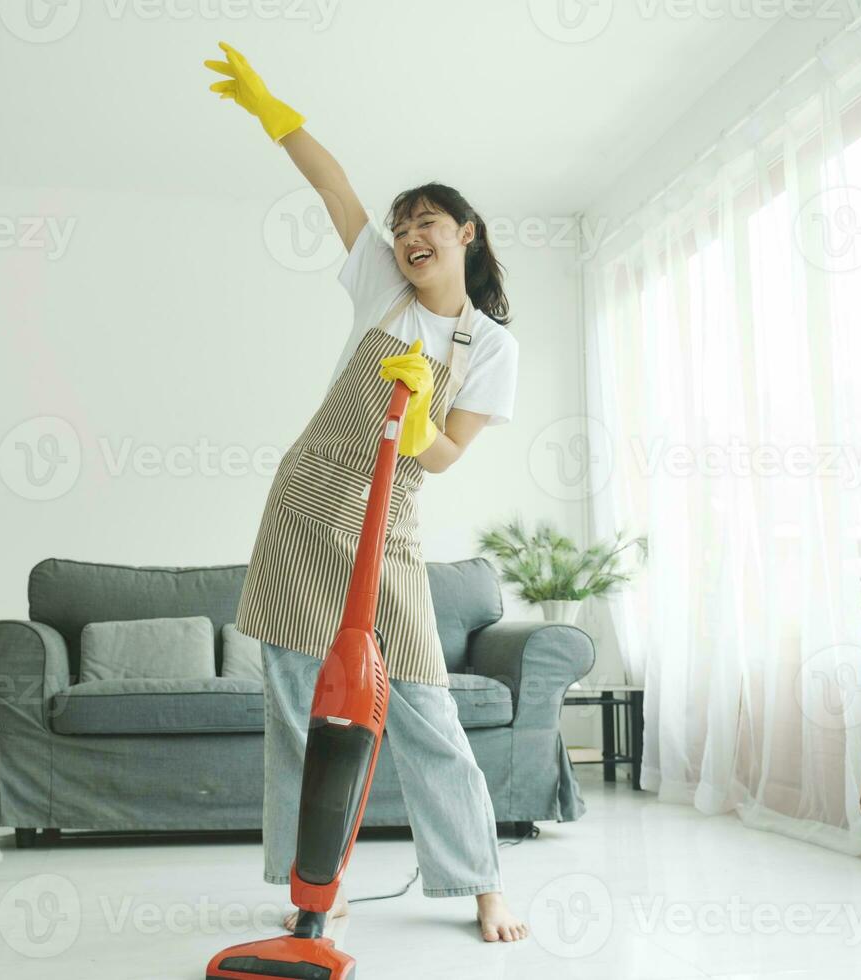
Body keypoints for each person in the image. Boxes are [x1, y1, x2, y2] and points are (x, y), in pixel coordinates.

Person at [206, 42, 526, 944]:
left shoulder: (490, 347)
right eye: (401, 225)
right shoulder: (381, 286)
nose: (408, 235)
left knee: (424, 700)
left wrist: (423, 414)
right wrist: (274, 111)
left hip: (391, 524)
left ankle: (481, 883)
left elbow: (441, 457)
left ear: (467, 233)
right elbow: (331, 182)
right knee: (297, 701)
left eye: (427, 221)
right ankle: (312, 883)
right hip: (308, 505)